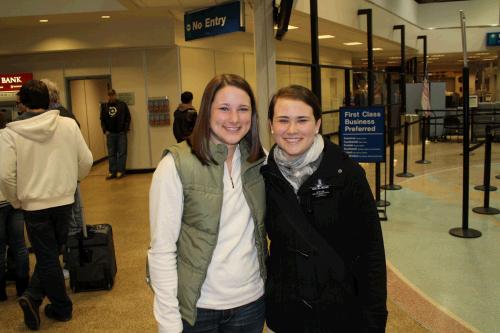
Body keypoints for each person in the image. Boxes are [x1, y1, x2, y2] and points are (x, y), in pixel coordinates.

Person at [261, 85, 388, 333]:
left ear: (317, 124)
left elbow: (371, 253)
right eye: (283, 120)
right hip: (288, 314)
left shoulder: (347, 174)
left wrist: (374, 319)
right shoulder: (265, 175)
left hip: (339, 314)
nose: (292, 130)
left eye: (302, 120)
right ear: (271, 125)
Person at [148, 74, 267, 333]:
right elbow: (162, 249)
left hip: (251, 303)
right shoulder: (175, 166)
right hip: (198, 309)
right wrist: (168, 320)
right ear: (206, 111)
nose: (234, 119)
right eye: (224, 108)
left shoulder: (259, 161)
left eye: (243, 109)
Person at [0, 80, 93, 330]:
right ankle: (40, 299)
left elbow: (5, 176)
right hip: (64, 201)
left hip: (33, 206)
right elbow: (86, 160)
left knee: (47, 255)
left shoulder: (10, 134)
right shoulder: (68, 125)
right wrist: (72, 181)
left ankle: (56, 306)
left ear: (23, 104)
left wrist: (17, 200)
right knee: (52, 254)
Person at [0, 117, 30, 301]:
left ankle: (1, 292)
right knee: (20, 246)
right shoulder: (13, 137)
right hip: (14, 201)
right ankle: (23, 288)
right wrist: (16, 199)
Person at [100, 89, 131, 179]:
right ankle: (112, 171)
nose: (111, 97)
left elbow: (128, 117)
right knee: (111, 153)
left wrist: (125, 129)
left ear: (115, 95)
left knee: (122, 153)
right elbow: (102, 119)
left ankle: (120, 171)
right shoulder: (104, 106)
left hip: (121, 133)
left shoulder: (122, 105)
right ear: (108, 96)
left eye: (112, 95)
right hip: (110, 134)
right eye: (109, 95)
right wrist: (105, 130)